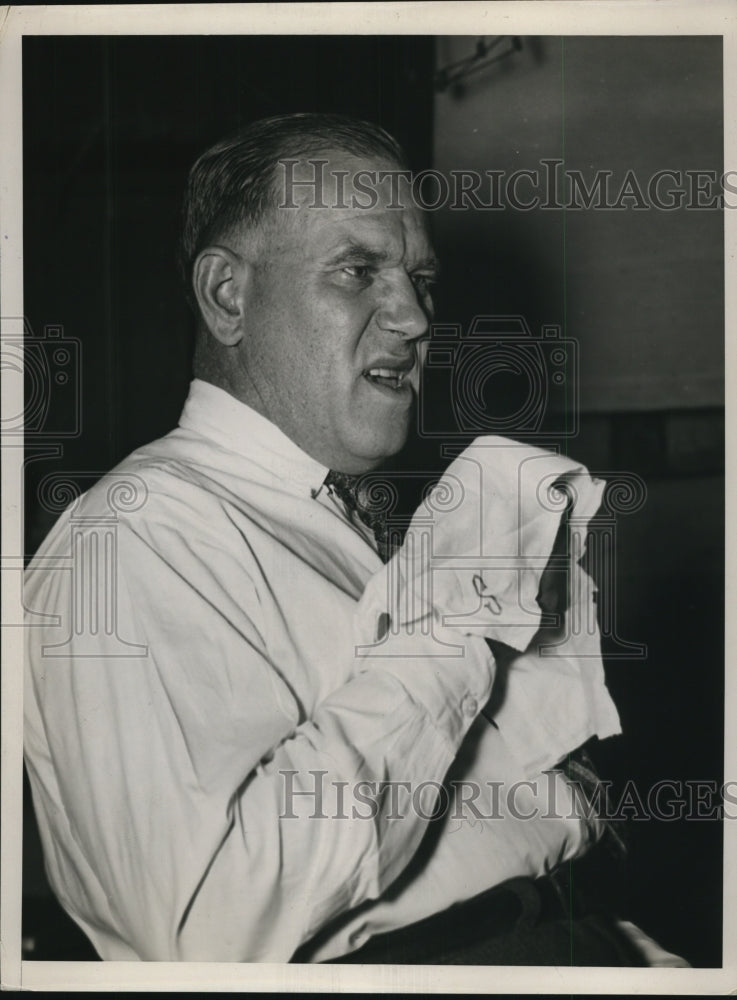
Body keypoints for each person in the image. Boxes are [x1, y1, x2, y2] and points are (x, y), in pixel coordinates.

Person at [23, 113, 686, 966]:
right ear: (228, 295)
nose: (413, 317)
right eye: (356, 271)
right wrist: (450, 627)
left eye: (419, 277)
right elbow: (213, 928)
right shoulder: (134, 539)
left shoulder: (344, 520)